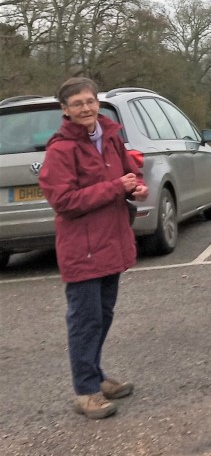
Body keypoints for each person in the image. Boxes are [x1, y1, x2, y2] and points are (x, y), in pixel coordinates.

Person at [39, 77, 149, 419]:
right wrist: (116, 187)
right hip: (82, 248)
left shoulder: (111, 136)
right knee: (85, 321)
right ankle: (86, 392)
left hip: (112, 242)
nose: (86, 108)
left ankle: (97, 377)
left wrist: (136, 188)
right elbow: (65, 202)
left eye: (90, 101)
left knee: (102, 317)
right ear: (65, 110)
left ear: (97, 102)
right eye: (77, 104)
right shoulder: (60, 150)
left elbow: (130, 174)